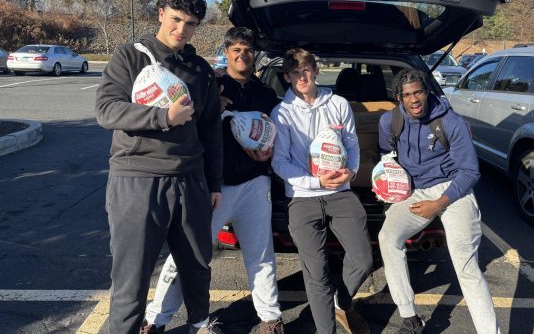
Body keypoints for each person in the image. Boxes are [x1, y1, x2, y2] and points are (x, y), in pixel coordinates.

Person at [96, 0, 224, 334]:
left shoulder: (200, 69)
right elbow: (107, 110)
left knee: (197, 265)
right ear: (161, 14)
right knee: (132, 278)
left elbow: (211, 130)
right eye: (176, 19)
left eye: (192, 23)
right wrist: (164, 116)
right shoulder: (130, 57)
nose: (182, 29)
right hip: (137, 179)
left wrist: (214, 184)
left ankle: (200, 323)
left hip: (190, 180)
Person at [142, 27, 285, 334]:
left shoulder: (266, 94)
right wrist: (210, 108)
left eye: (248, 50)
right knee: (186, 255)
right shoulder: (212, 86)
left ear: (254, 54)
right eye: (236, 50)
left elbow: (277, 137)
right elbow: (183, 121)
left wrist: (269, 154)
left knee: (261, 256)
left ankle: (270, 318)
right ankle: (155, 320)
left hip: (254, 185)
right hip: (211, 188)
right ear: (228, 52)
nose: (243, 55)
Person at [377, 69, 500, 334]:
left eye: (418, 92)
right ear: (399, 96)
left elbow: (470, 172)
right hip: (415, 191)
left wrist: (438, 203)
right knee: (388, 238)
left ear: (427, 91)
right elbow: (386, 158)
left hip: (454, 188)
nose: (414, 100)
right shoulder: (390, 121)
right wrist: (387, 185)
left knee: (465, 265)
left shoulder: (450, 121)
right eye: (407, 95)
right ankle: (410, 319)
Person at [270, 48, 373, 334]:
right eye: (295, 73)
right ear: (287, 77)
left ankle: (341, 301)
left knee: (363, 259)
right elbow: (279, 162)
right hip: (302, 198)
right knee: (317, 275)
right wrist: (315, 182)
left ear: (315, 70)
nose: (302, 77)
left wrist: (351, 170)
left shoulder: (338, 104)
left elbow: (351, 145)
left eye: (306, 70)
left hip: (340, 192)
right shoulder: (282, 113)